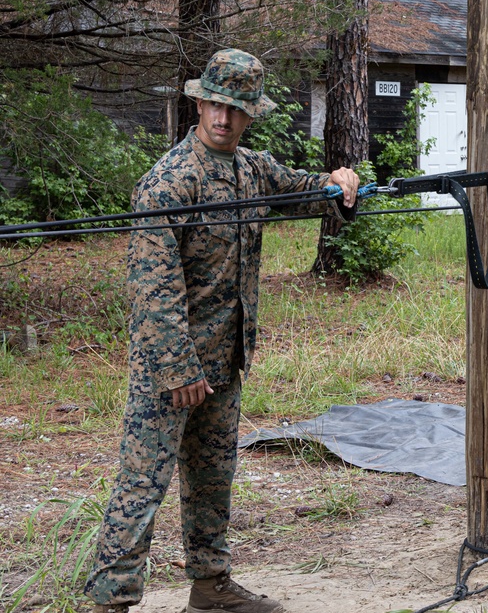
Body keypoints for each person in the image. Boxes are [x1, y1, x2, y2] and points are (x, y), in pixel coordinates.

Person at [86, 49, 360, 613]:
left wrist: (340, 181)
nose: (223, 118)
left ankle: (210, 585)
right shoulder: (166, 183)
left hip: (226, 358)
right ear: (200, 102)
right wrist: (178, 369)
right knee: (143, 484)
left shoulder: (251, 169)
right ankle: (111, 599)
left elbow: (304, 188)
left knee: (213, 477)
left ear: (249, 115)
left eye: (235, 110)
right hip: (171, 367)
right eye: (215, 105)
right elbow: (153, 291)